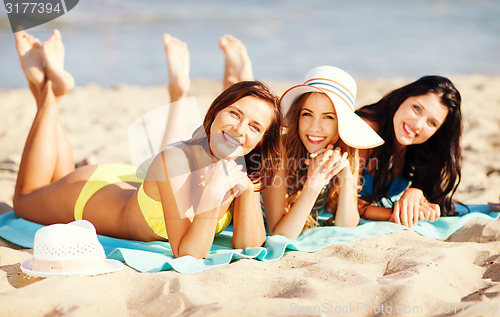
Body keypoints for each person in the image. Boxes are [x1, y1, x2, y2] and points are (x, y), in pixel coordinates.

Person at [12, 30, 283, 259]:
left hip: (123, 182)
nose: (239, 128)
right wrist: (212, 198)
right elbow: (186, 254)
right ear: (215, 113)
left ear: (260, 140)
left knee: (56, 178)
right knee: (25, 200)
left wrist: (248, 190)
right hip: (87, 195)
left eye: (255, 127)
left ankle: (43, 85)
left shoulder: (238, 166)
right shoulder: (176, 159)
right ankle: (52, 94)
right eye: (235, 113)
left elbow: (249, 246)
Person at [261, 66, 384, 240]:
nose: (315, 127)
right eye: (307, 114)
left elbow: (346, 226)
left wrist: (345, 175)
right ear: (297, 116)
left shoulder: (347, 150)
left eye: (328, 117)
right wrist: (314, 183)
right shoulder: (278, 149)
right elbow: (280, 234)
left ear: (342, 124)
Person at [355, 76, 463, 228]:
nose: (418, 125)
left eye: (431, 123)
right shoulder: (366, 130)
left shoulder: (420, 145)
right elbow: (341, 201)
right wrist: (396, 213)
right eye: (416, 108)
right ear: (403, 99)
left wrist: (416, 191)